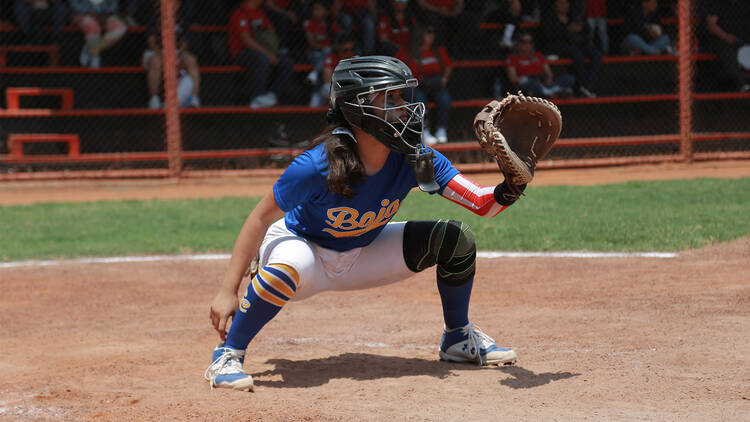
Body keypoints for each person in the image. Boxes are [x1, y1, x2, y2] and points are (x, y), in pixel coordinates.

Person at [204, 55, 522, 391]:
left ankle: (457, 338)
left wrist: (512, 185)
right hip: (304, 252)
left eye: (403, 97)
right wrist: (228, 290)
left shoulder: (415, 158)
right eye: (390, 98)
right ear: (356, 108)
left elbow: (483, 204)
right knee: (289, 265)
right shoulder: (317, 165)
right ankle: (228, 355)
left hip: (363, 252)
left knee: (456, 239)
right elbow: (259, 218)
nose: (404, 107)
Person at [228, 0, 295, 108]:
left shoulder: (260, 12)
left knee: (287, 63)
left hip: (263, 51)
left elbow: (270, 31)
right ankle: (257, 97)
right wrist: (268, 54)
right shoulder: (240, 13)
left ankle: (272, 95)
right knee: (262, 59)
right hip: (241, 52)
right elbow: (247, 40)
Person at [397, 25, 453, 144]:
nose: (432, 35)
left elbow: (449, 65)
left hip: (433, 85)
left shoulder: (438, 50)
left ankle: (441, 129)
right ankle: (423, 131)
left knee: (444, 98)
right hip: (415, 87)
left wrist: (444, 79)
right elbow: (398, 69)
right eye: (428, 32)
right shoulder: (408, 52)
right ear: (420, 35)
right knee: (419, 99)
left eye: (433, 32)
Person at [144, 0, 200, 109]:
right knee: (155, 61)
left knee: (191, 60)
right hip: (156, 51)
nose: (172, 5)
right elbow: (151, 43)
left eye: (175, 2)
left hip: (176, 52)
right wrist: (164, 55)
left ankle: (194, 98)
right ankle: (154, 99)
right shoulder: (155, 18)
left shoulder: (182, 19)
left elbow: (184, 43)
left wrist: (177, 55)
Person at [540, 0, 601, 98]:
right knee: (577, 54)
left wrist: (578, 32)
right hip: (558, 46)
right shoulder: (549, 18)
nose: (564, 5)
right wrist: (567, 30)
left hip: (577, 44)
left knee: (595, 53)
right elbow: (549, 36)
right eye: (561, 3)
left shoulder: (574, 16)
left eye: (566, 3)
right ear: (555, 5)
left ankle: (589, 84)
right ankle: (584, 85)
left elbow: (586, 31)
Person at [507, 31, 574, 98]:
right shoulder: (512, 58)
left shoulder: (538, 55)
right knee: (525, 80)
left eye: (530, 42)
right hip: (529, 84)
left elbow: (549, 74)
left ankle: (549, 91)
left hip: (541, 81)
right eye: (524, 42)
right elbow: (513, 79)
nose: (527, 45)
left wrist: (548, 79)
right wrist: (527, 80)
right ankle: (553, 91)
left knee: (569, 78)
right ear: (518, 43)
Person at [703, 0, 750, 92]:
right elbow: (711, 25)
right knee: (725, 48)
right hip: (723, 39)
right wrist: (725, 36)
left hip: (744, 38)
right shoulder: (718, 3)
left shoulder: (745, 3)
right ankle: (742, 83)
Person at [69, 0, 127, 68]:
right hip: (82, 14)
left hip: (105, 15)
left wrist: (103, 13)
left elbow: (113, 6)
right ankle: (95, 56)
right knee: (92, 26)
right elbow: (74, 5)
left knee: (120, 29)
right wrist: (87, 12)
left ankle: (92, 48)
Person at [309, 34, 357, 107]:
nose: (349, 53)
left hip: (347, 89)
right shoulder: (331, 58)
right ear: (338, 49)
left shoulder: (355, 58)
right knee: (316, 102)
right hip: (330, 89)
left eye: (351, 49)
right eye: (345, 50)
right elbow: (327, 81)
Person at [303, 0, 341, 83]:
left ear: (326, 12)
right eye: (314, 9)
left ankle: (314, 75)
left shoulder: (330, 24)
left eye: (318, 9)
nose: (314, 12)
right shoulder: (309, 23)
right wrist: (326, 47)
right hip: (313, 53)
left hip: (328, 54)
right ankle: (316, 75)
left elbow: (340, 37)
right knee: (326, 59)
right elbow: (312, 44)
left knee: (328, 59)